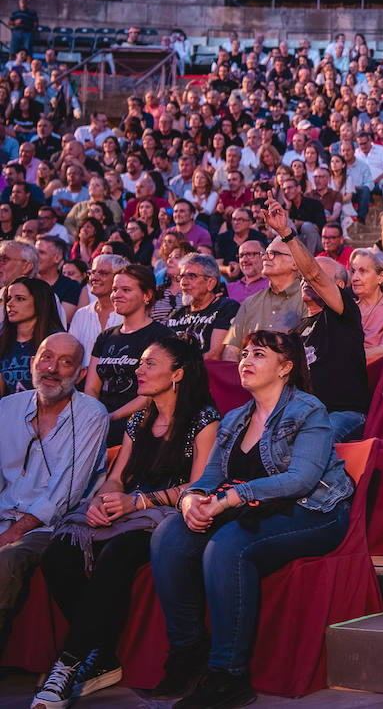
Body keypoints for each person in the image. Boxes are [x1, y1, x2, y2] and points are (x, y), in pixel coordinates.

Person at [148, 331, 354, 708]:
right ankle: (188, 651)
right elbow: (209, 477)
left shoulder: (308, 410)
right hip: (255, 509)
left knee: (227, 549)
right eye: (244, 353)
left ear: (285, 368)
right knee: (169, 536)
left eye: (259, 354)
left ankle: (230, 676)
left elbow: (301, 480)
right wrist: (192, 499)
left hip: (315, 511)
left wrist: (229, 499)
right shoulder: (235, 419)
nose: (246, 360)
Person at [32, 337, 219, 709]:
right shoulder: (139, 418)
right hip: (131, 508)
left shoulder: (203, 417)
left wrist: (138, 501)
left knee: (115, 554)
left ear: (177, 374)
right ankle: (101, 656)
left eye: (150, 364)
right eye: (142, 363)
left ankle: (66, 666)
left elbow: (199, 485)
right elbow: (118, 476)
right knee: (59, 553)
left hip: (168, 515)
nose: (139, 369)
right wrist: (104, 501)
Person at [0, 334, 107, 649]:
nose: (53, 368)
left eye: (66, 362)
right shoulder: (7, 408)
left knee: (6, 561)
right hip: (5, 515)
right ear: (33, 362)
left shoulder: (91, 414)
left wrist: (12, 533)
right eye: (46, 357)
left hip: (51, 526)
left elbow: (65, 494)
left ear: (80, 373)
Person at [264, 198, 370, 441]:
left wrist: (286, 233)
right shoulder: (296, 329)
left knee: (310, 441)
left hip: (343, 414)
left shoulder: (344, 315)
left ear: (340, 286)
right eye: (302, 276)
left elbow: (313, 273)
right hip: (302, 415)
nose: (307, 279)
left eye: (316, 276)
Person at [86, 265, 175, 446]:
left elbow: (153, 393)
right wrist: (97, 415)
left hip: (139, 423)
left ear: (147, 295)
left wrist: (110, 417)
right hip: (100, 419)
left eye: (126, 290)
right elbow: (91, 388)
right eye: (114, 289)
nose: (117, 295)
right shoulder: (105, 337)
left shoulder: (161, 336)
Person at [220, 237, 307, 361]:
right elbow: (232, 349)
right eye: (265, 253)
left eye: (273, 254)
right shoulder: (249, 303)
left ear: (295, 263)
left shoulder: (307, 300)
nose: (265, 258)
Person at [166, 254, 239, 359]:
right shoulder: (174, 315)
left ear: (210, 283)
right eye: (182, 276)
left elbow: (214, 355)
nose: (184, 282)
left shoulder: (226, 308)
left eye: (191, 276)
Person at [0, 277, 63, 394]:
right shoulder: (3, 340)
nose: (10, 304)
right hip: (10, 409)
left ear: (40, 302)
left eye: (20, 299)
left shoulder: (57, 341)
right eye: (8, 298)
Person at [68, 253, 126, 368]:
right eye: (92, 272)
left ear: (119, 278)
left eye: (103, 273)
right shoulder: (81, 315)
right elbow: (70, 354)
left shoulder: (127, 315)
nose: (94, 278)